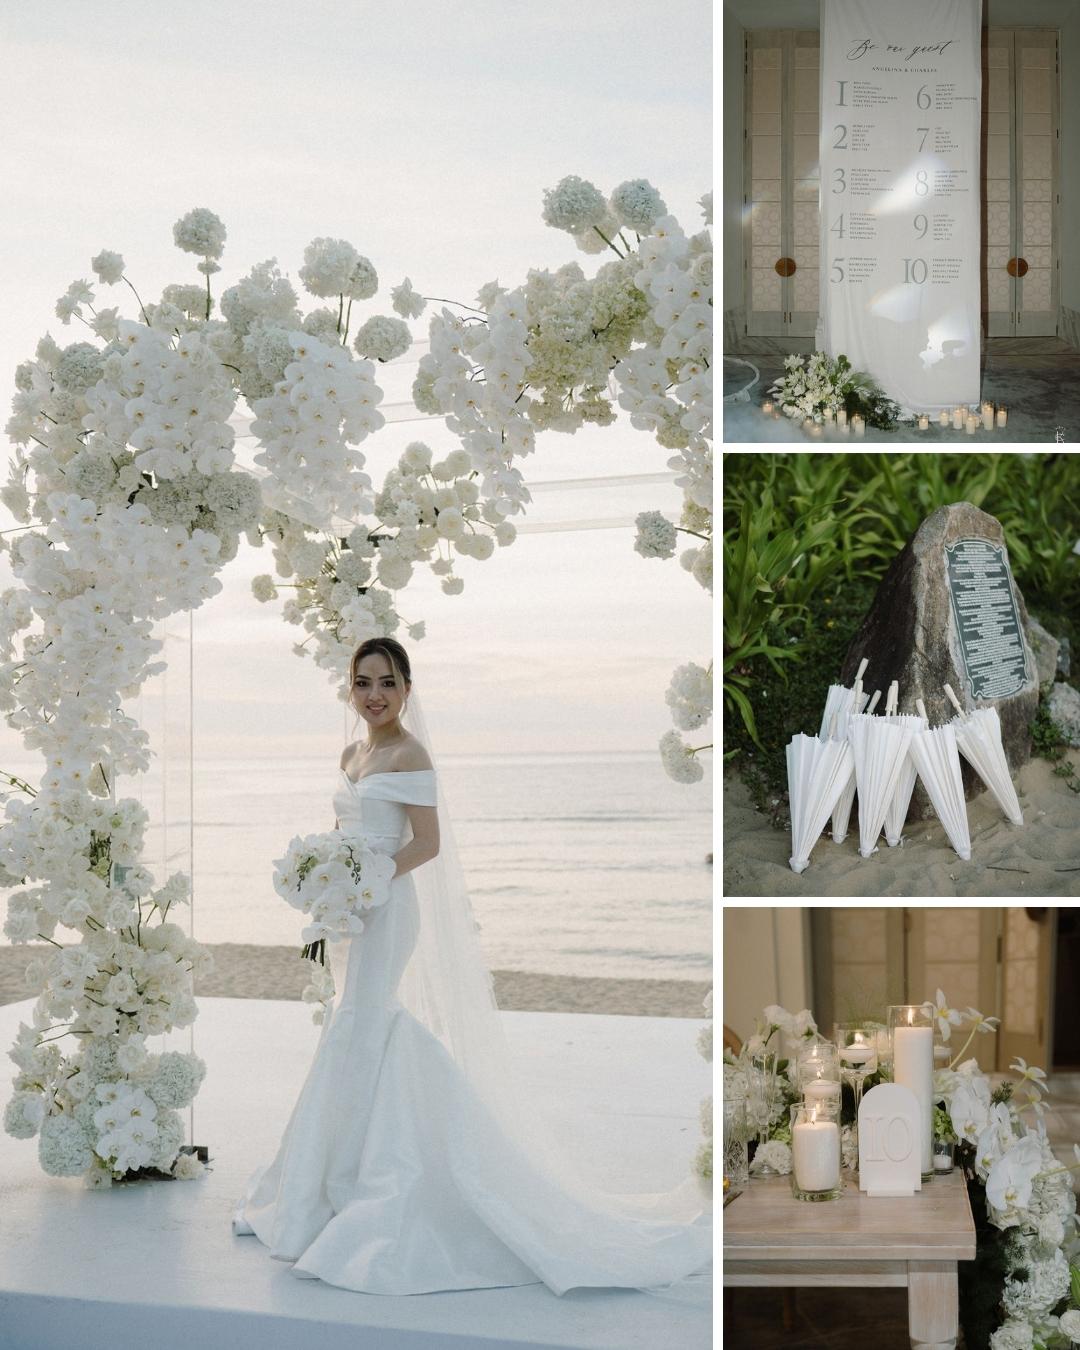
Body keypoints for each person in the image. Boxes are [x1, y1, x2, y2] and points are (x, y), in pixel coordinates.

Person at [231, 637, 712, 1298]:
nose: (375, 695)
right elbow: (341, 833)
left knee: (364, 1023)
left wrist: (368, 881)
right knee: (354, 1027)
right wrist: (327, 889)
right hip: (350, 910)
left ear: (406, 689)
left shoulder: (410, 754)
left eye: (388, 683)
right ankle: (326, 1182)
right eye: (364, 682)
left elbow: (425, 843)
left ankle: (369, 1180)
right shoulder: (352, 753)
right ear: (351, 687)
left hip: (388, 907)